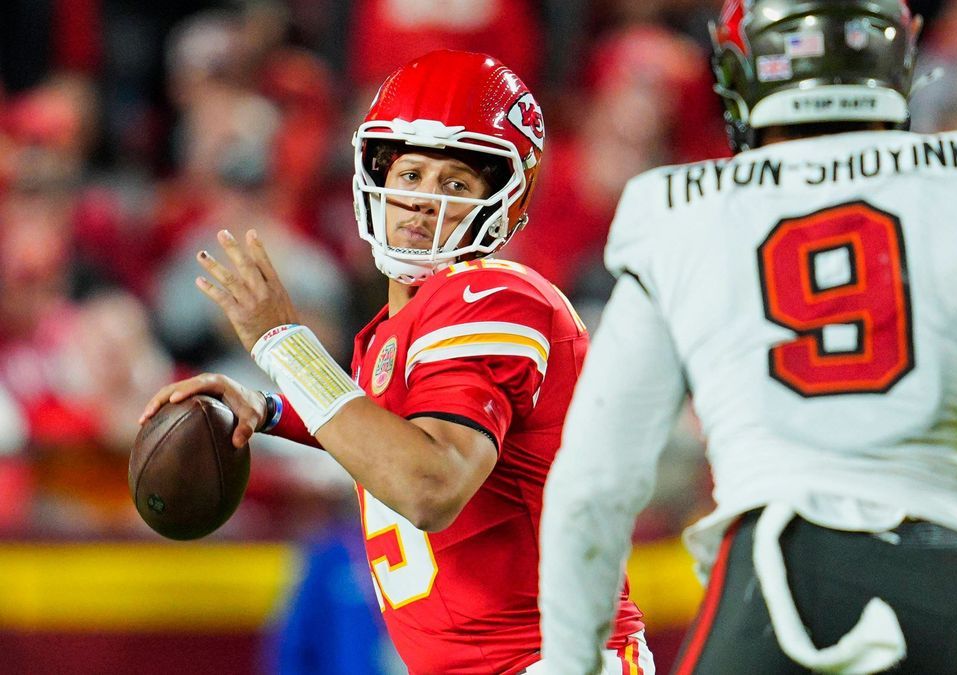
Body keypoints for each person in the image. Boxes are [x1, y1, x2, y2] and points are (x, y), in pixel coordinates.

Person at [537, 2, 957, 674]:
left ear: (745, 70)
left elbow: (596, 480)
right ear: (897, 61)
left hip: (786, 569)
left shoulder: (682, 208)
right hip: (951, 581)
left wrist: (573, 659)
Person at [139, 50, 650, 675]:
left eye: (455, 184)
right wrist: (271, 409)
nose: (421, 202)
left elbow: (428, 485)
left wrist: (282, 344)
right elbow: (392, 434)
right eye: (409, 173)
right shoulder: (401, 327)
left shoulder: (494, 298)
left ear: (507, 201)